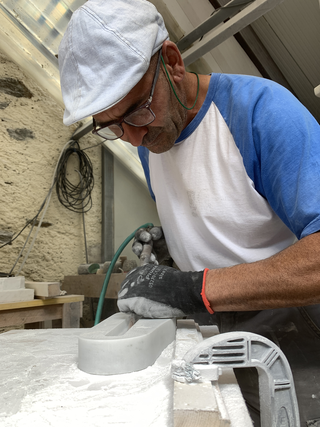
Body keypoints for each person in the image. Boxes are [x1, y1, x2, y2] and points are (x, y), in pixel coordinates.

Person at [58, 0, 320, 425]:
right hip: (216, 333)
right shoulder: (149, 136)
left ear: (172, 62)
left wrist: (192, 288)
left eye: (139, 110)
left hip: (298, 334)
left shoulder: (261, 112)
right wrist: (178, 239)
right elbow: (224, 203)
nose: (134, 138)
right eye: (112, 126)